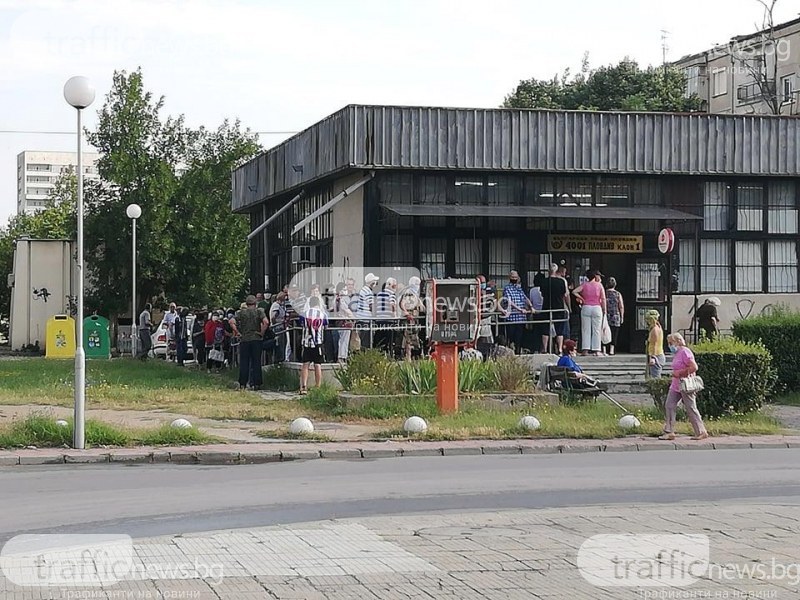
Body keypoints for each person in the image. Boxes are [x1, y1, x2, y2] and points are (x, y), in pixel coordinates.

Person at [660, 332, 709, 441]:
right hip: (676, 385)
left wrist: (680, 373)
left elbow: (694, 367)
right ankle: (669, 431)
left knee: (691, 407)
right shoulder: (677, 353)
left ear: (678, 342)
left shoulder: (685, 352)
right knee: (669, 405)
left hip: (686, 384)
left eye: (671, 343)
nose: (669, 346)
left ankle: (701, 431)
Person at [230, 295, 268, 389]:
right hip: (256, 339)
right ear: (255, 303)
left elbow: (231, 322)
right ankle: (257, 383)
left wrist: (237, 332)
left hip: (245, 339)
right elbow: (266, 322)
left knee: (244, 362)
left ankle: (242, 383)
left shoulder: (240, 313)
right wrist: (261, 333)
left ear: (246, 304)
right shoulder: (259, 311)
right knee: (256, 362)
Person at [573, 270, 606, 356]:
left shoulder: (584, 285)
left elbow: (574, 291)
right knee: (596, 330)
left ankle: (585, 350)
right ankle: (596, 350)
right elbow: (603, 298)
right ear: (594, 277)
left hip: (586, 307)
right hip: (597, 307)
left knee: (586, 329)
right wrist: (604, 309)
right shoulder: (599, 285)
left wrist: (582, 298)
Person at [299, 295, 328, 394]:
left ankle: (303, 387)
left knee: (305, 365)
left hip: (307, 342)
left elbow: (301, 324)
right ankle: (318, 386)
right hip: (318, 342)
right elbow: (325, 325)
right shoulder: (322, 314)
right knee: (318, 365)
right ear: (318, 304)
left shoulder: (304, 314)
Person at [540, 264, 570, 355]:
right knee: (559, 330)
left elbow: (542, 294)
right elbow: (564, 294)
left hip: (546, 306)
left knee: (545, 329)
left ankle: (545, 349)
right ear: (556, 271)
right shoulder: (561, 282)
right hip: (559, 307)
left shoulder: (544, 282)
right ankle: (560, 349)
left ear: (548, 271)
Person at [501, 270, 531, 355]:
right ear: (509, 278)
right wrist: (519, 309)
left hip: (521, 318)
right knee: (511, 338)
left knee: (519, 338)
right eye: (512, 277)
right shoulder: (507, 288)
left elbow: (525, 298)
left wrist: (531, 306)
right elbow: (509, 302)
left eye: (515, 277)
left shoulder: (519, 288)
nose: (514, 279)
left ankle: (518, 352)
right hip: (511, 317)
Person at [399, 276, 422, 361]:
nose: (418, 286)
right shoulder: (408, 292)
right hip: (409, 318)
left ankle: (413, 356)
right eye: (416, 284)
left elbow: (420, 305)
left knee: (414, 336)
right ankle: (407, 356)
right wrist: (406, 312)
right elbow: (402, 303)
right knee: (408, 337)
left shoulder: (415, 293)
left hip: (414, 318)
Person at [356, 273, 380, 349]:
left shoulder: (363, 290)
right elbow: (371, 305)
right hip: (365, 319)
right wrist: (375, 316)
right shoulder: (368, 292)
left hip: (361, 318)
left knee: (363, 339)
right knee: (366, 341)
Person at [334, 282, 355, 363]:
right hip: (344, 322)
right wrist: (353, 317)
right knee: (344, 340)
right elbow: (347, 310)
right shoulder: (341, 300)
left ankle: (342, 356)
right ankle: (342, 357)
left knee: (342, 340)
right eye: (344, 289)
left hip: (339, 321)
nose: (346, 291)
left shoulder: (336, 298)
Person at [605, 277, 625, 356]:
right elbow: (621, 306)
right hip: (616, 315)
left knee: (605, 332)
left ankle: (604, 348)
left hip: (606, 315)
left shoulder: (604, 293)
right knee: (614, 333)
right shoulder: (618, 294)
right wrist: (622, 316)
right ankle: (612, 350)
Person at [646, 309, 666, 379]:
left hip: (656, 356)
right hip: (658, 355)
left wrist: (652, 357)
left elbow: (654, 344)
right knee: (654, 376)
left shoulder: (655, 329)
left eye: (648, 319)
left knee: (655, 378)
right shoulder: (658, 327)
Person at [269, 292, 288, 364]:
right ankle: (278, 360)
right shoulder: (276, 306)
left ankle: (280, 359)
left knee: (283, 343)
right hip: (278, 328)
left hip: (281, 327)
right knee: (279, 343)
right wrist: (275, 324)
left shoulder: (281, 306)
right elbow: (273, 316)